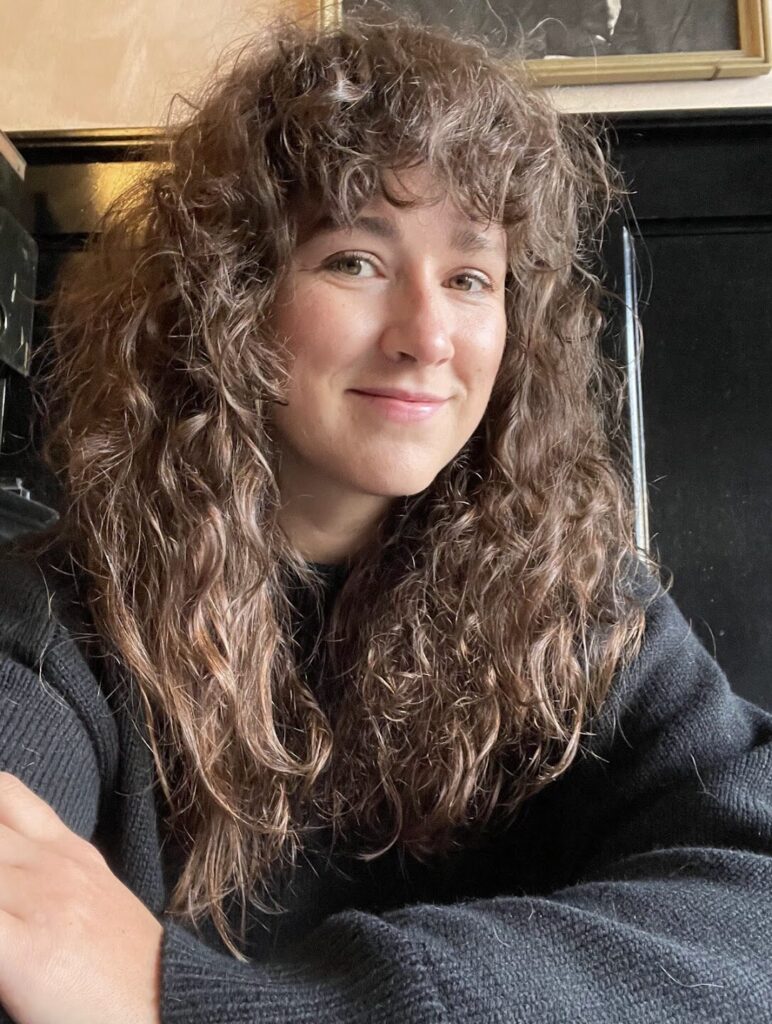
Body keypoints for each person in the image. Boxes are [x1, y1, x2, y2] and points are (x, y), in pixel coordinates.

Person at [0, 12, 770, 1024]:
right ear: (229, 296)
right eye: (355, 259)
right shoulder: (57, 617)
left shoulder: (579, 603)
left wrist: (184, 999)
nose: (427, 336)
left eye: (468, 277)